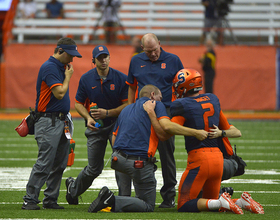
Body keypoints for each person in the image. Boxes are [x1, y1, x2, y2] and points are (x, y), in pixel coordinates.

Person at [145, 68, 264, 214]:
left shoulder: (182, 105)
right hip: (218, 160)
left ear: (184, 86)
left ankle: (226, 200)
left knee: (183, 205)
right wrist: (221, 133)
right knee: (212, 203)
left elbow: (167, 130)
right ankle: (241, 202)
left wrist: (154, 113)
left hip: (200, 159)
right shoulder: (212, 100)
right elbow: (236, 132)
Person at [87, 84, 208, 213]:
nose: (161, 101)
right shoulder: (156, 105)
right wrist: (151, 113)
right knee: (148, 205)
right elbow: (163, 135)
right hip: (138, 162)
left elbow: (114, 138)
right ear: (152, 96)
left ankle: (116, 200)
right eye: (160, 97)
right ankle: (111, 199)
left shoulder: (127, 109)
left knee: (133, 196)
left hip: (117, 159)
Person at [124, 33, 184, 208]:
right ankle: (142, 194)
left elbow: (181, 88)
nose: (153, 54)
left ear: (160, 43)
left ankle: (169, 196)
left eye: (155, 50)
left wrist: (178, 111)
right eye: (149, 51)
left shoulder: (173, 60)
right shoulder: (135, 61)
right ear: (142, 49)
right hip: (141, 111)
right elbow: (132, 86)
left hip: (165, 110)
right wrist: (130, 108)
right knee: (139, 153)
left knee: (167, 154)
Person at [22, 37, 82, 210]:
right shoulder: (49, 67)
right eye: (70, 55)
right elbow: (59, 94)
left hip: (61, 121)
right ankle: (30, 199)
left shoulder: (60, 67)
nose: (72, 59)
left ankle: (50, 199)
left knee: (60, 163)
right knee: (45, 162)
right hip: (49, 121)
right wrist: (68, 77)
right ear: (60, 51)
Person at [65, 45, 128, 205]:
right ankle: (73, 190)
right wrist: (88, 118)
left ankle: (124, 199)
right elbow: (78, 103)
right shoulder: (86, 79)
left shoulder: (120, 78)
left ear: (109, 57)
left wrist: (108, 113)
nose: (103, 60)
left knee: (120, 162)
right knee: (94, 168)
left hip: (116, 125)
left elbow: (127, 104)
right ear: (93, 60)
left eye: (105, 56)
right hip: (95, 127)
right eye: (100, 57)